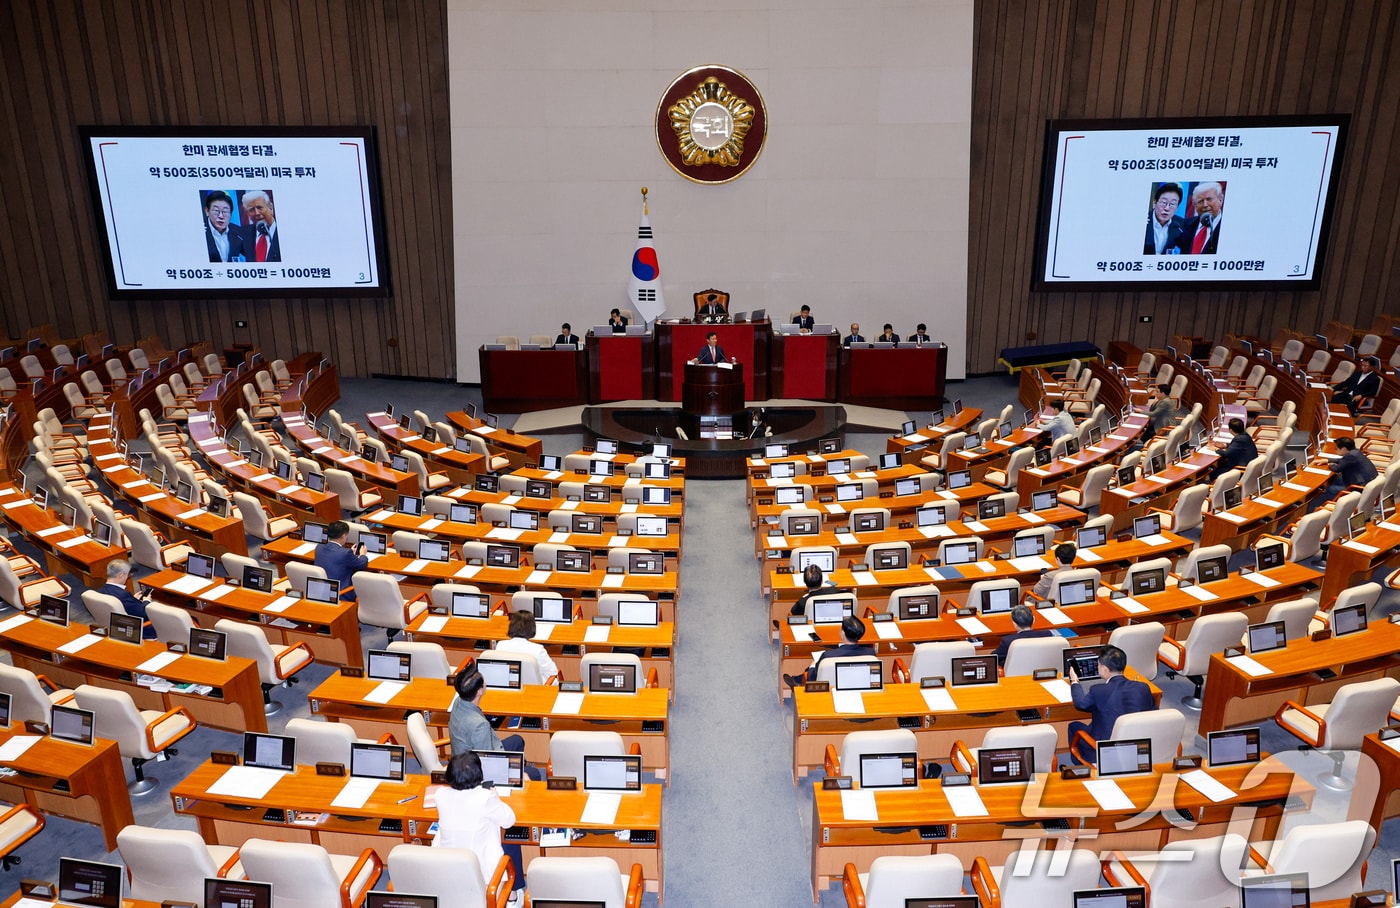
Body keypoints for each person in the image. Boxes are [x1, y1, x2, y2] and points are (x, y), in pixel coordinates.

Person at [433, 751, 525, 904]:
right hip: (483, 876)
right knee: (508, 839)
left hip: (447, 870)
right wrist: (496, 797)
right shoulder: (485, 798)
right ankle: (512, 898)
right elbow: (509, 820)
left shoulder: (440, 794)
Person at [1067, 644, 1155, 763]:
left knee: (1074, 726)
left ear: (1104, 669)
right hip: (1135, 746)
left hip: (1104, 750)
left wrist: (1074, 681)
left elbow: (1080, 704)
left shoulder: (1098, 690)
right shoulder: (1143, 688)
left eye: (1098, 665)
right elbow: (1153, 712)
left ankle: (1081, 766)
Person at [449, 669, 528, 755]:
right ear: (479, 691)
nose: (485, 683)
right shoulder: (480, 725)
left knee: (517, 740)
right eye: (483, 682)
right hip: (474, 765)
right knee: (532, 769)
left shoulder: (458, 701)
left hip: (460, 757)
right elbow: (486, 759)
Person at [785, 615, 874, 688]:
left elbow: (812, 678)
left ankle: (796, 681)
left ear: (842, 633)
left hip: (828, 688)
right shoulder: (871, 653)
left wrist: (812, 665)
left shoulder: (828, 656)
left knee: (811, 668)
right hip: (857, 685)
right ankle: (796, 680)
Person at [94, 560, 156, 639]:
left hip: (116, 625)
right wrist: (146, 601)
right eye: (128, 574)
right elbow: (144, 614)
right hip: (140, 630)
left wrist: (133, 600)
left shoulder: (101, 591)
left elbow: (123, 604)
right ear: (121, 575)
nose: (128, 577)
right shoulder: (124, 595)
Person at [493, 610, 559, 683]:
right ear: (532, 627)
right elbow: (553, 672)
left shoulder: (500, 645)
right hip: (534, 689)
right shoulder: (538, 649)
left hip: (509, 686)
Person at [313, 520, 367, 601]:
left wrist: (350, 553)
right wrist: (362, 554)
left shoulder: (319, 547)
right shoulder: (345, 553)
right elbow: (362, 564)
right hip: (342, 594)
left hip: (321, 592)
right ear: (343, 535)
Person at [1172, 181, 1224, 255]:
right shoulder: (1184, 225)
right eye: (1200, 201)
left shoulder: (1230, 227)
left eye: (1209, 199)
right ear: (1195, 205)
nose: (1205, 205)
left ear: (1220, 200)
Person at [1142, 182, 1186, 255]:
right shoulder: (1142, 220)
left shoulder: (1181, 225)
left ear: (1177, 208)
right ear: (1154, 203)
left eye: (1172, 204)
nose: (1167, 208)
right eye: (1164, 202)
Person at [203, 191, 245, 263]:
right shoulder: (199, 231)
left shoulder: (238, 232)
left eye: (225, 211)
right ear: (207, 211)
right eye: (216, 211)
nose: (221, 216)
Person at [242, 189, 281, 262]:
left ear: (271, 208)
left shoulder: (285, 231)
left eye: (260, 207)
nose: (257, 213)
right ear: (247, 214)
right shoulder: (243, 235)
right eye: (251, 210)